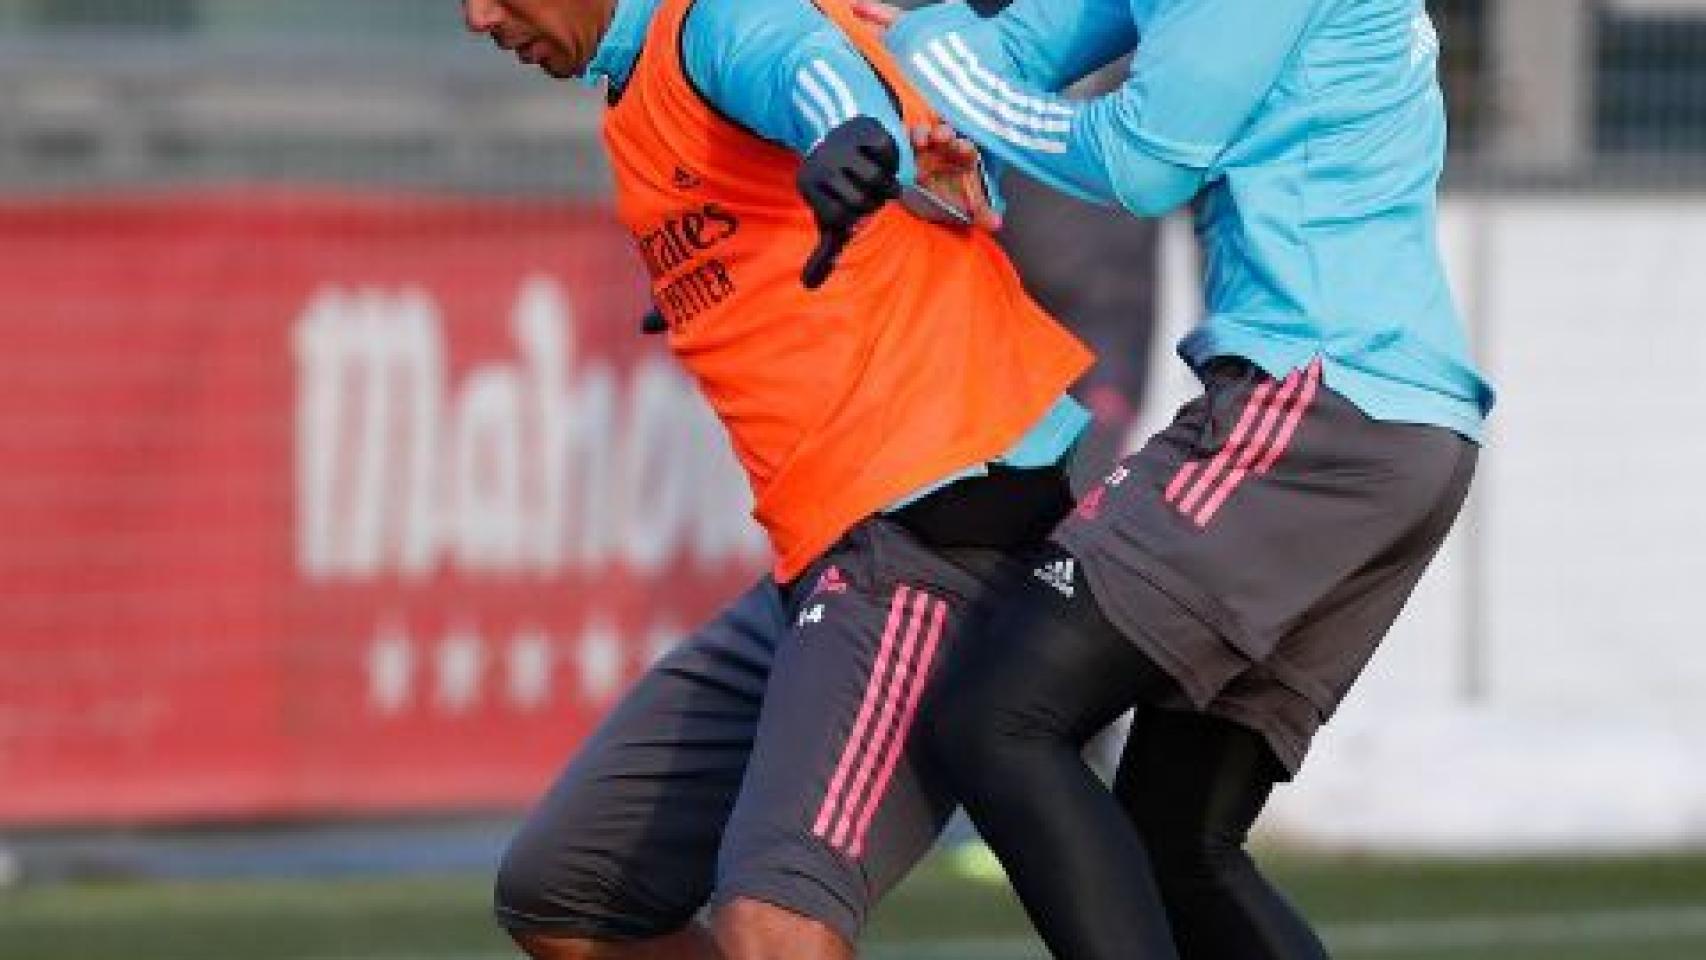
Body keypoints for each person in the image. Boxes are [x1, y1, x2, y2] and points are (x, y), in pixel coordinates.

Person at [850, 0, 1496, 957]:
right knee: (1176, 838)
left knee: (999, 717)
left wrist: (931, 63)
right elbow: (1022, 47)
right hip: (1383, 423)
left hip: (1316, 409)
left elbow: (1140, 162)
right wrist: (915, 64)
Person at [459, 1, 1095, 959]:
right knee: (568, 894)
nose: (476, 17)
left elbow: (815, 76)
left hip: (935, 526)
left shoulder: (708, 19)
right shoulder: (634, 92)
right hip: (832, 558)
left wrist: (851, 136)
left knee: (775, 925)